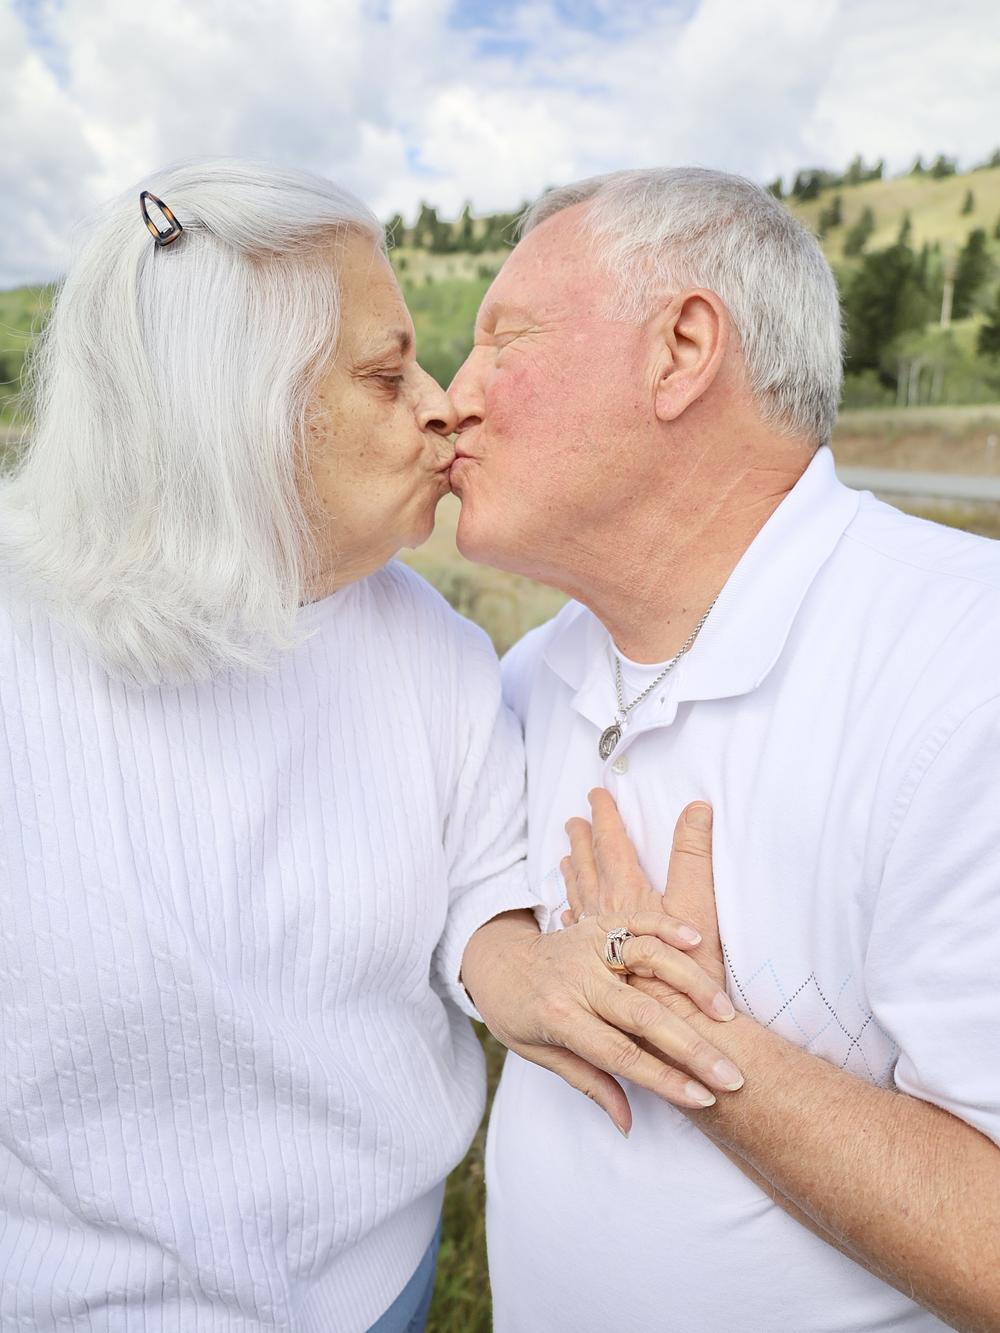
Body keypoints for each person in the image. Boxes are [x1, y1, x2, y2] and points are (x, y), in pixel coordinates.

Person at [0, 161, 738, 1331]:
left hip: (372, 1284)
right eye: (389, 376)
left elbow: (478, 889)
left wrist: (534, 976)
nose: (444, 406)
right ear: (233, 405)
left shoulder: (434, 650)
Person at [448, 166, 1000, 1331]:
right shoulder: (531, 674)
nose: (454, 401)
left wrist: (687, 1037)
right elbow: (456, 892)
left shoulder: (966, 669)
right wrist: (509, 966)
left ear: (680, 350)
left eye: (505, 341)